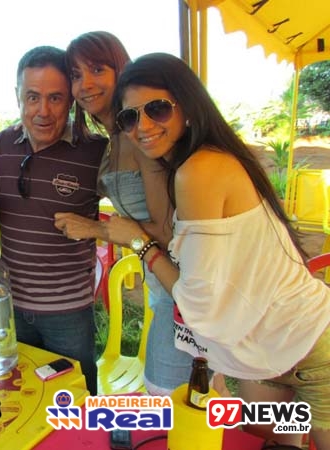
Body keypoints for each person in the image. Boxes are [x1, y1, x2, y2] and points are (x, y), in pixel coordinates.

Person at [109, 52, 330, 449]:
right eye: (129, 117)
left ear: (187, 106)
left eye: (157, 109)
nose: (142, 126)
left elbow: (199, 305)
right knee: (277, 445)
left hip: (313, 348)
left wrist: (139, 243)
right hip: (263, 352)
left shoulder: (200, 170)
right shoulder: (193, 165)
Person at [0, 46, 108, 395]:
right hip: (11, 307)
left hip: (69, 312)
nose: (43, 111)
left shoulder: (96, 151)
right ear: (18, 96)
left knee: (76, 396)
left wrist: (96, 228)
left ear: (71, 100)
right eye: (32, 97)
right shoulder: (2, 144)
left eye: (55, 98)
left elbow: (134, 214)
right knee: (23, 395)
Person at [52, 30, 194, 396]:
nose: (85, 84)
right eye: (76, 74)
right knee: (192, 399)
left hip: (184, 288)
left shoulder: (139, 135)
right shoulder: (113, 139)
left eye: (97, 69)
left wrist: (96, 230)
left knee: (167, 396)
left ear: (122, 70)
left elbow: (168, 230)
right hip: (163, 287)